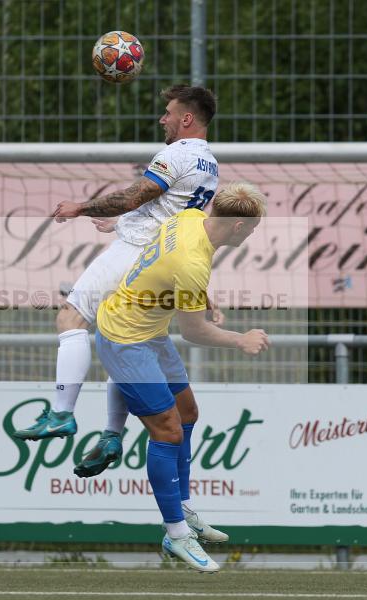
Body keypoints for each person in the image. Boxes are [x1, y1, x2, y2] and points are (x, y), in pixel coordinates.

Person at [13, 84, 219, 450]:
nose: (163, 119)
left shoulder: (177, 154)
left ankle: (62, 412)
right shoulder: (210, 164)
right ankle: (111, 434)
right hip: (163, 262)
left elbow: (135, 196)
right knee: (124, 337)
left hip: (137, 252)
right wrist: (123, 223)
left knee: (71, 318)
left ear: (186, 118)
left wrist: (82, 207)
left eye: (169, 113)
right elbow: (168, 213)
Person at [93, 183, 269, 571]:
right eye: (254, 227)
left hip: (148, 329)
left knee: (187, 412)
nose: (254, 233)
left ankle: (182, 506)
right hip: (125, 338)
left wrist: (201, 298)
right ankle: (175, 534)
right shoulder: (194, 263)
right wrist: (241, 340)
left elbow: (163, 259)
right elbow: (194, 333)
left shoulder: (190, 218)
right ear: (238, 227)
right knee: (168, 431)